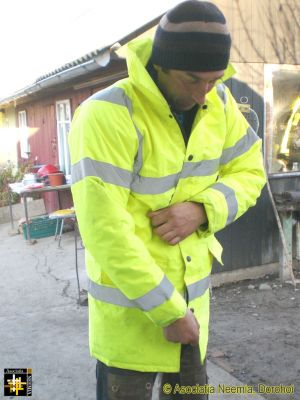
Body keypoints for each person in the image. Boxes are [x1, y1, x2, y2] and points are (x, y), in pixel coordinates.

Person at [68, 1, 266, 399]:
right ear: (160, 63)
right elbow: (105, 230)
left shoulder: (221, 104)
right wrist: (167, 311)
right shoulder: (107, 114)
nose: (202, 92)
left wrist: (203, 209)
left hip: (193, 311)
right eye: (191, 78)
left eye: (214, 79)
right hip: (132, 320)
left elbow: (251, 172)